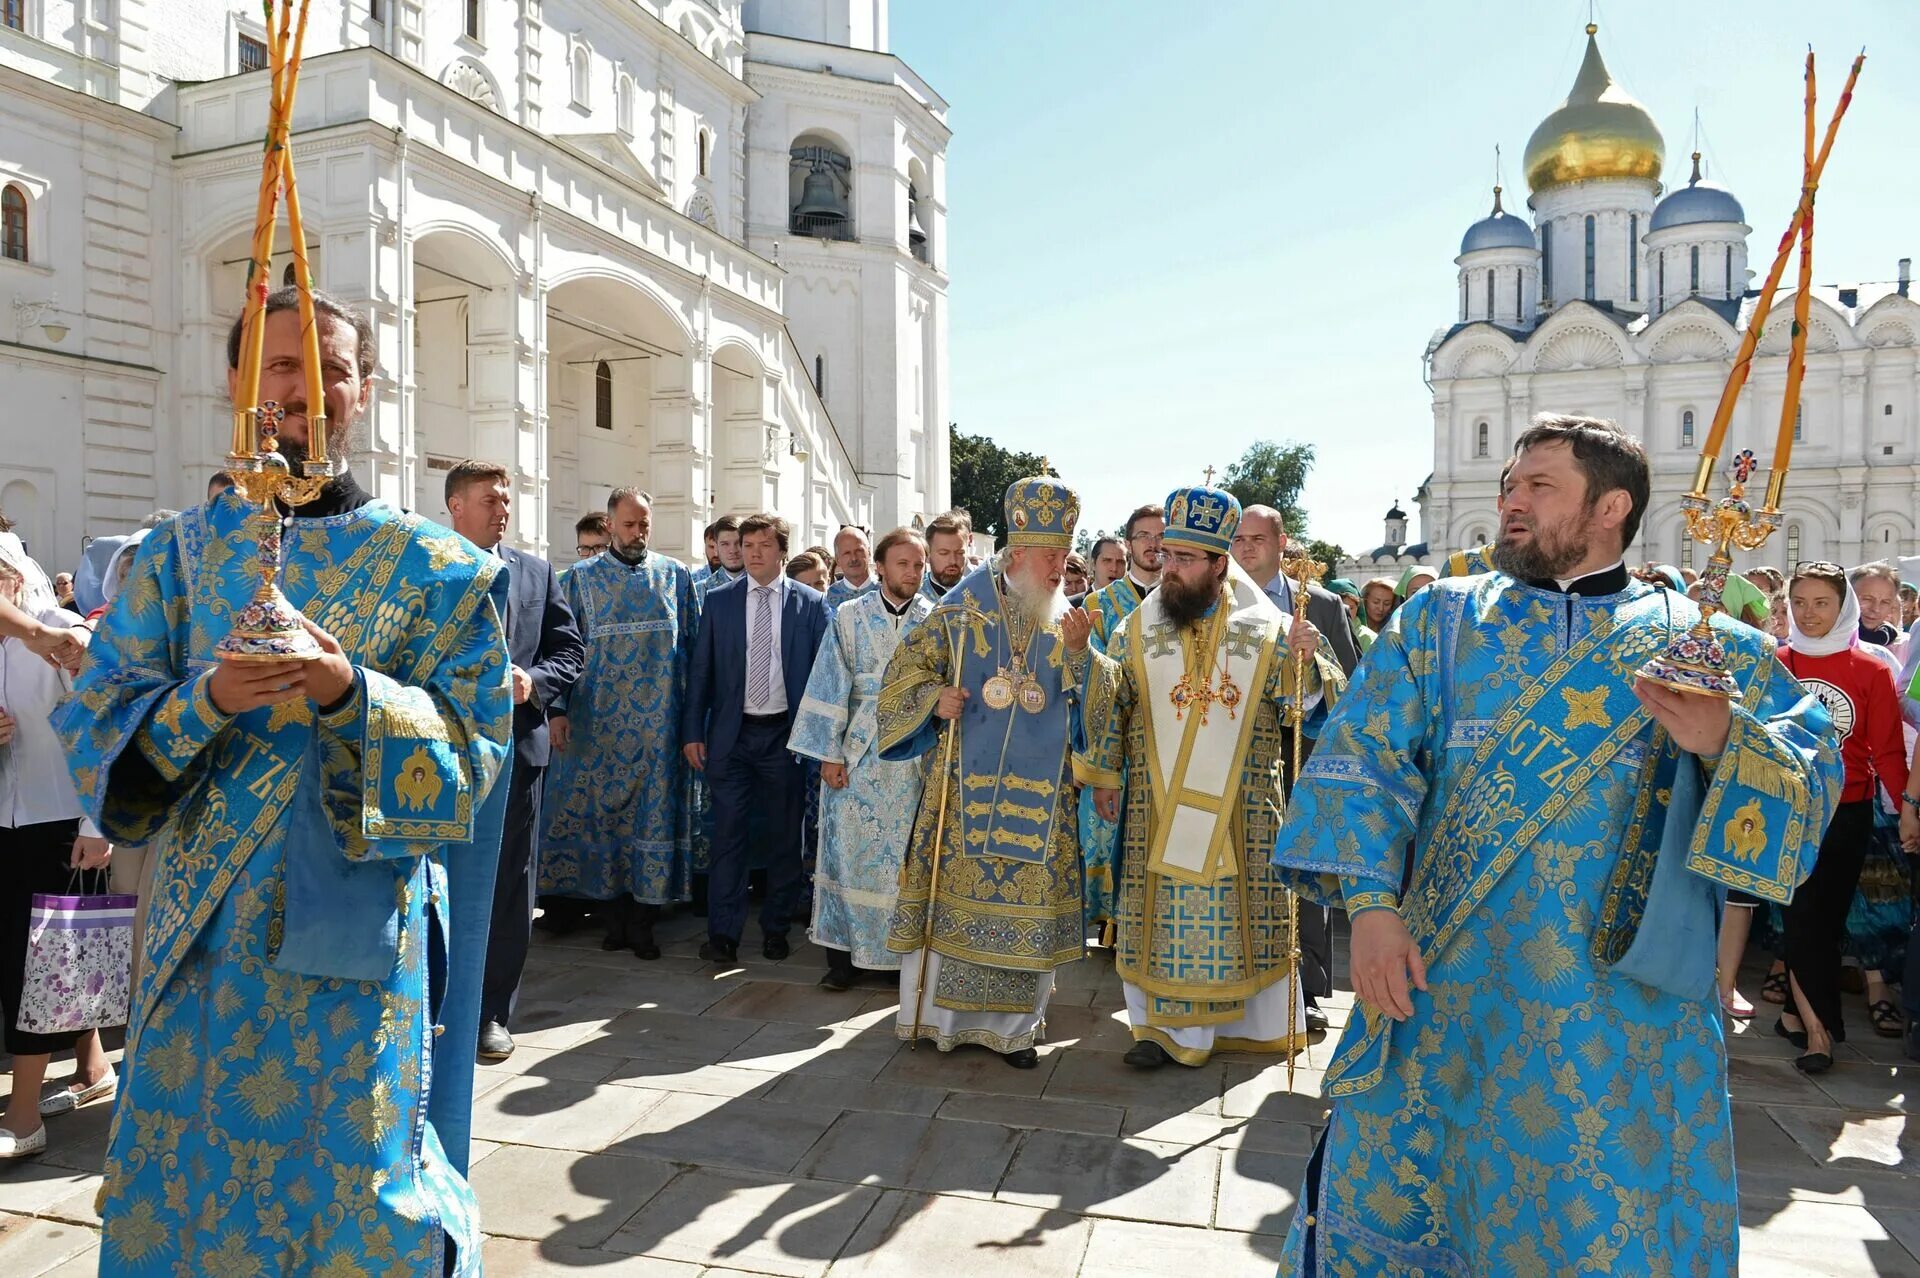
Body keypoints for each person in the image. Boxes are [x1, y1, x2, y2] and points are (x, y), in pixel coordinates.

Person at [1271, 415, 1842, 1275]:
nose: (1512, 502)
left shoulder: (1707, 647)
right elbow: (1364, 759)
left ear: (1611, 506)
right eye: (1509, 485)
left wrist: (1727, 740)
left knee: (1600, 1221)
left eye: (1539, 487)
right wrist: (1372, 911)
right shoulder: (1442, 621)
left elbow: (1809, 787)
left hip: (1622, 1013)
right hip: (1446, 987)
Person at [57, 287, 513, 1273]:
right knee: (186, 1206)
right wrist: (209, 698)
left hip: (356, 967)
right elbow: (95, 726)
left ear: (366, 389)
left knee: (354, 1205)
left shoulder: (431, 568)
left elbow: (477, 758)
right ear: (234, 384)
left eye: (331, 368)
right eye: (279, 366)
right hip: (198, 959)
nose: (305, 390)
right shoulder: (177, 559)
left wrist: (352, 693)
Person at [1083, 486, 1342, 1068]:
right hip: (1157, 807)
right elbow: (1115, 698)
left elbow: (1306, 710)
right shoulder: (1137, 625)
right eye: (1166, 554)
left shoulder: (1268, 629)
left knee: (1240, 919)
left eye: (1182, 559)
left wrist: (1310, 662)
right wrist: (1103, 770)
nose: (1166, 567)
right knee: (1164, 919)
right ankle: (1160, 1032)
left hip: (1244, 812)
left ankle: (1249, 1025)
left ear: (1219, 564)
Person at [879, 477, 1097, 1068]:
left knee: (1026, 905)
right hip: (962, 788)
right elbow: (903, 674)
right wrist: (933, 699)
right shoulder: (957, 610)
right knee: (955, 898)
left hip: (1041, 794)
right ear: (1019, 554)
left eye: (1065, 556)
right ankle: (939, 1023)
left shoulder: (1068, 620)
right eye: (1051, 557)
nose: (1061, 569)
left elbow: (1102, 704)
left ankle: (1015, 1031)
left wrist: (1082, 659)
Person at [443, 461, 586, 1062]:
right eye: (489, 499)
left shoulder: (534, 572)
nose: (502, 508)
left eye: (506, 498)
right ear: (455, 505)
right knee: (441, 884)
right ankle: (436, 1006)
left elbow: (569, 647)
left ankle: (492, 1013)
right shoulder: (427, 566)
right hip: (439, 754)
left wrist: (537, 681)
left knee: (509, 887)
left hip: (517, 755)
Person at [541, 488, 696, 959]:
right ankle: (613, 921)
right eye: (629, 525)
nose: (638, 533)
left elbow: (692, 651)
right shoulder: (579, 579)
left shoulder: (675, 577)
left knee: (653, 820)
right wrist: (559, 709)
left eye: (644, 524)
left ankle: (644, 923)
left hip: (660, 731)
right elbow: (560, 649)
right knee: (603, 825)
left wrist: (692, 722)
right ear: (610, 526)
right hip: (598, 728)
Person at [0, 542, 115, 1160]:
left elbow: (105, 725)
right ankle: (93, 1066)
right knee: (54, 954)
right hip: (6, 817)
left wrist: (100, 823)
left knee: (36, 960)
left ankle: (23, 1117)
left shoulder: (65, 636)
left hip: (59, 818)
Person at [1228, 503, 1360, 1032]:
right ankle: (1246, 981)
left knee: (1304, 870)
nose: (1245, 549)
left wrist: (1316, 659)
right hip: (1242, 757)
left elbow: (1350, 682)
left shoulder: (1321, 605)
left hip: (1304, 754)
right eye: (1237, 541)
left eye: (1257, 539)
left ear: (1282, 544)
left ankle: (1305, 986)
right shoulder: (1223, 604)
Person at [1775, 562, 1908, 1072]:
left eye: (1821, 603)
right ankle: (1819, 1033)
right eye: (1799, 603)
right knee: (1800, 916)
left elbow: (1888, 752)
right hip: (1786, 811)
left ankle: (1794, 1012)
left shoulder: (1871, 671)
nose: (1809, 614)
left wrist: (1907, 813)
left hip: (1848, 812)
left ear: (1842, 607)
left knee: (1824, 923)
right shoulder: (1776, 663)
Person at [789, 528, 934, 989]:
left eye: (918, 565)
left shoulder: (938, 619)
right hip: (856, 755)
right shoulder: (849, 615)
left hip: (912, 756)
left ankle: (896, 961)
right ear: (881, 568)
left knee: (901, 863)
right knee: (847, 855)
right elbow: (831, 682)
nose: (911, 573)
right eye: (902, 564)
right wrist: (829, 755)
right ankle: (843, 962)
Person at [683, 514, 830, 962]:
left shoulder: (809, 604)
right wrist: (692, 731)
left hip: (784, 737)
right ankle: (723, 934)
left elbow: (824, 677)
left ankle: (776, 928)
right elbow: (702, 670)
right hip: (731, 736)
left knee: (785, 837)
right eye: (747, 546)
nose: (753, 554)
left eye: (764, 546)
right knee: (729, 836)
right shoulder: (720, 601)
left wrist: (820, 739)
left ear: (782, 551)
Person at [1077, 502, 1166, 942]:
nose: (1154, 544)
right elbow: (1085, 682)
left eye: (1161, 536)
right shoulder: (1099, 604)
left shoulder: (1185, 599)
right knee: (1107, 834)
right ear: (1129, 544)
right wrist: (1091, 764)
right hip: (1115, 745)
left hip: (1169, 743)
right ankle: (1114, 926)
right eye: (1144, 536)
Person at [691, 514, 743, 601]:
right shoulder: (700, 591)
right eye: (725, 544)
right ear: (717, 547)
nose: (733, 550)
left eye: (739, 543)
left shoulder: (765, 584)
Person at [921, 511, 971, 602]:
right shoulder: (912, 596)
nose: (952, 561)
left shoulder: (979, 593)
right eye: (944, 553)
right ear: (928, 555)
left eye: (960, 553)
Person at [825, 525, 877, 608]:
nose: (853, 558)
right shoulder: (827, 598)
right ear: (838, 559)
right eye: (847, 553)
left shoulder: (888, 591)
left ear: (869, 553)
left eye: (859, 551)